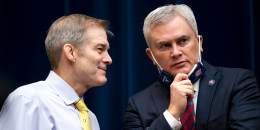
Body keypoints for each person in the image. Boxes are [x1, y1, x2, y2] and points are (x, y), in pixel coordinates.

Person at [124, 4, 260, 130]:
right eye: (165, 45)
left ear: (199, 43)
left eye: (183, 41)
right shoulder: (137, 105)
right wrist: (172, 114)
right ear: (151, 56)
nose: (176, 52)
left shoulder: (238, 83)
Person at [0, 14, 113, 130]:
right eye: (100, 49)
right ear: (71, 52)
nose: (109, 59)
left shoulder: (91, 118)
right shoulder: (28, 100)